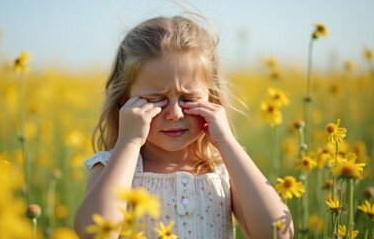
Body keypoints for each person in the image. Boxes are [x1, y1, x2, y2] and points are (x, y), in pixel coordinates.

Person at [74, 15, 293, 239]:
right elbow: (94, 234)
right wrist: (128, 142)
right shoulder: (110, 165)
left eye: (188, 99)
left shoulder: (222, 168)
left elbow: (277, 233)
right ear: (124, 102)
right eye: (155, 100)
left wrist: (226, 143)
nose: (175, 114)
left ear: (212, 99)